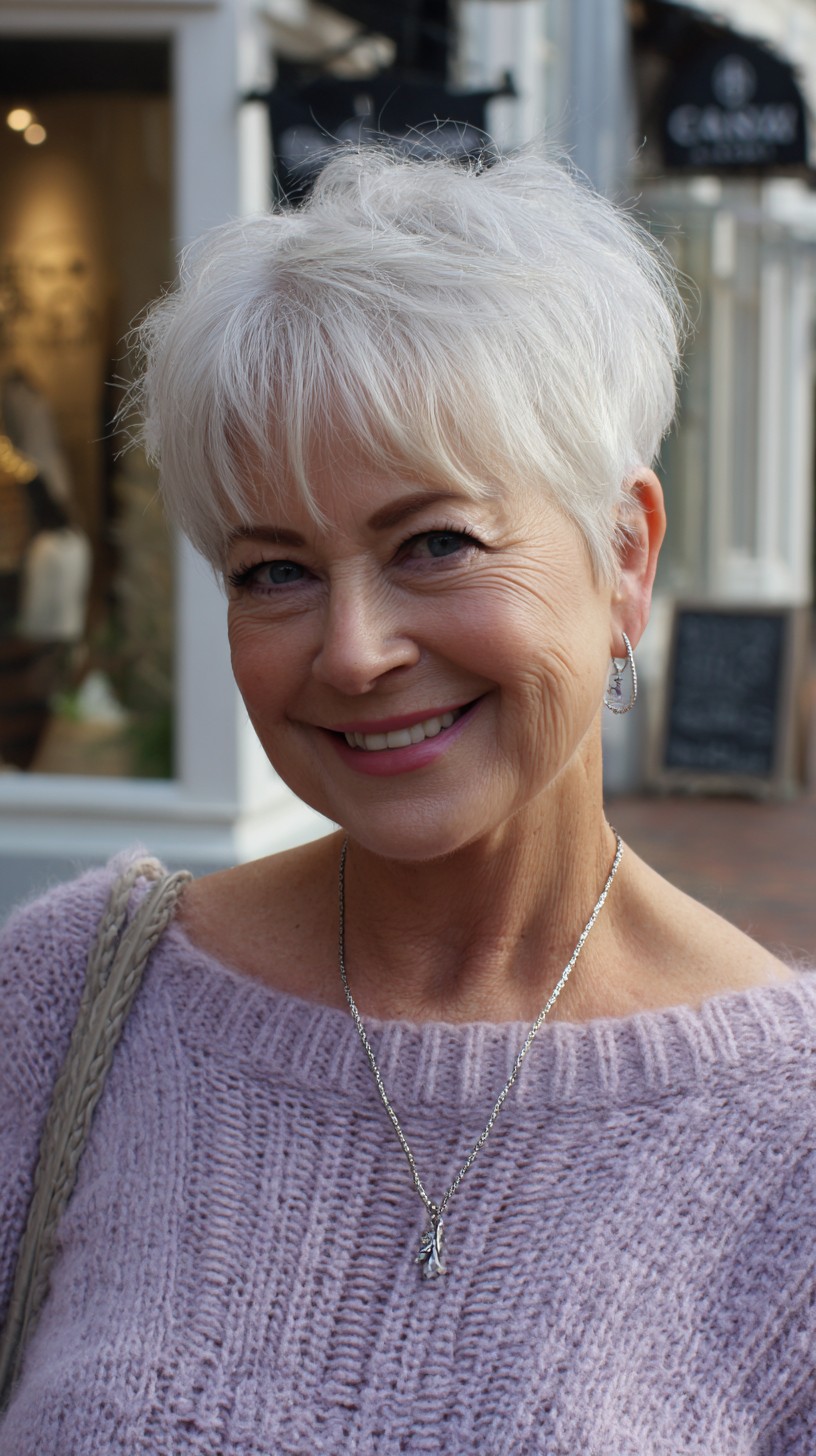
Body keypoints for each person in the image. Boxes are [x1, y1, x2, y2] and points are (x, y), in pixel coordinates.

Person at [1, 146, 813, 1455]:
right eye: (274, 571)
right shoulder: (73, 1003)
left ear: (623, 555)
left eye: (435, 543)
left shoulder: (787, 1137)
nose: (353, 652)